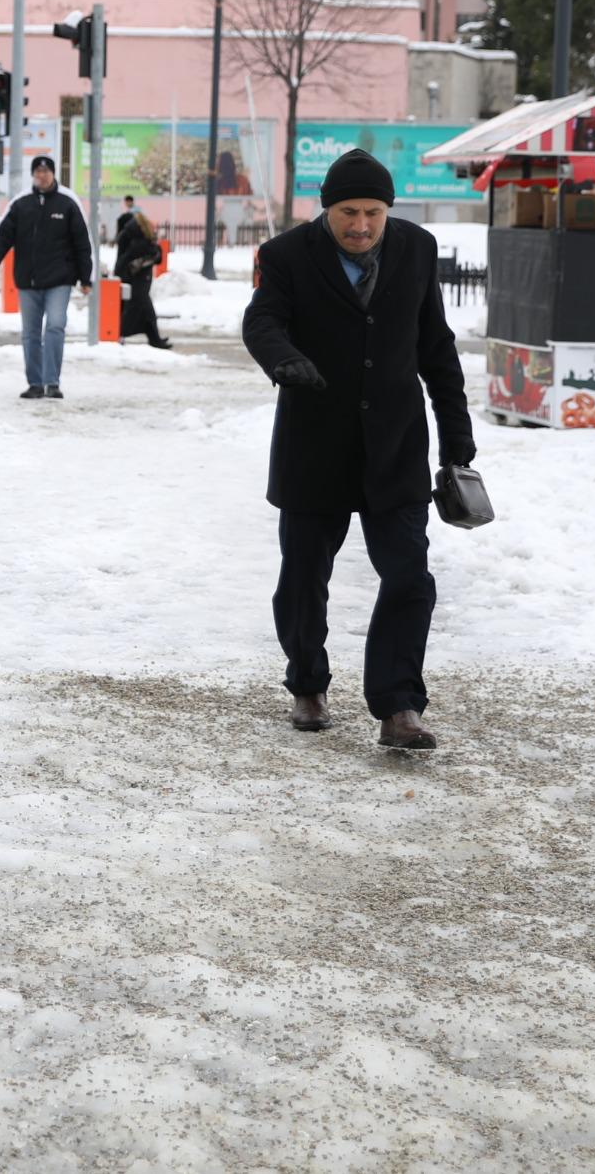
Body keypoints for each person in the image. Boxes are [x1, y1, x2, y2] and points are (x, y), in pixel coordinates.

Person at [240, 149, 474, 751]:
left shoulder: (417, 251)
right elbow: (262, 320)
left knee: (410, 578)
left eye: (373, 212)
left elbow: (437, 352)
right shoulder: (286, 255)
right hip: (314, 447)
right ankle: (307, 684)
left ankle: (399, 706)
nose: (362, 226)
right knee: (303, 579)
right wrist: (283, 358)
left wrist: (458, 445)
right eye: (349, 212)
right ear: (328, 209)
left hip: (395, 447)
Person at [0, 155, 95, 399]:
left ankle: (51, 382)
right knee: (30, 333)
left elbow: (82, 242)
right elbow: (2, 235)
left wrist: (86, 277)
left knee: (55, 326)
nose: (41, 176)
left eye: (46, 171)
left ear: (53, 174)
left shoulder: (67, 203)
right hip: (28, 279)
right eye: (37, 172)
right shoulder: (22, 203)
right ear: (33, 175)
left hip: (60, 279)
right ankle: (35, 383)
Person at [113, 210, 172, 348]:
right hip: (136, 280)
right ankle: (118, 334)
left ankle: (154, 338)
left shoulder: (130, 236)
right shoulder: (138, 239)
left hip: (134, 278)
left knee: (144, 311)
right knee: (142, 310)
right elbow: (154, 253)